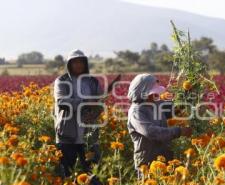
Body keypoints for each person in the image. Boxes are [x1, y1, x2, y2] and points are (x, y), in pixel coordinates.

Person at [53, 49, 120, 178]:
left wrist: (93, 114)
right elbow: (62, 102)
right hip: (67, 135)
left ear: (85, 64)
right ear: (69, 64)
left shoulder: (92, 82)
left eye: (81, 62)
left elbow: (100, 103)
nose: (78, 65)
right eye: (75, 62)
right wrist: (86, 101)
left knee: (92, 174)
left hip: (88, 135)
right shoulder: (61, 81)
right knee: (67, 173)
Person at [127, 73, 192, 178]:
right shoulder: (136, 112)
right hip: (147, 165)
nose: (156, 95)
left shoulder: (155, 104)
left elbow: (175, 109)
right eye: (153, 93)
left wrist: (185, 91)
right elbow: (151, 132)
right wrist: (179, 131)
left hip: (165, 161)